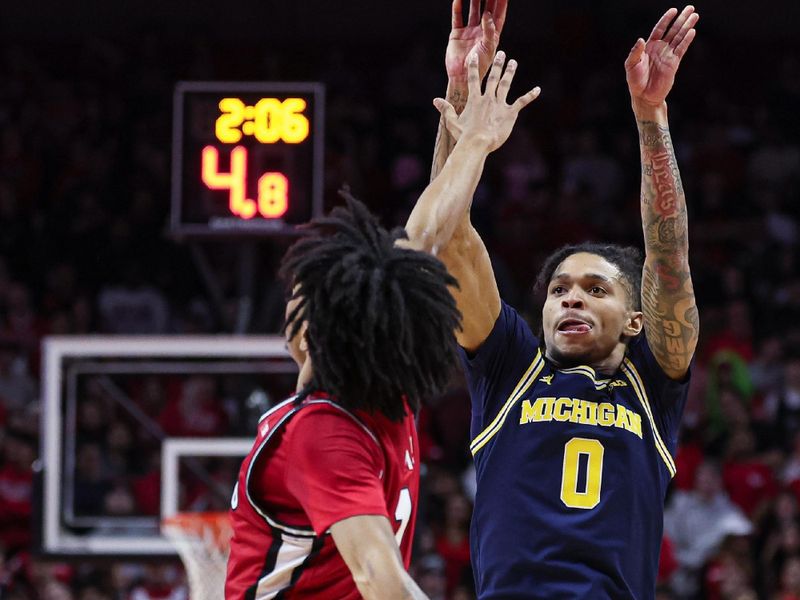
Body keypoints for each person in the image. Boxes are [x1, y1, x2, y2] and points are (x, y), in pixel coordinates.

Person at [405, 2, 700, 598]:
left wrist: (651, 116)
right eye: (560, 290)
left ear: (636, 321)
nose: (572, 300)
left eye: (596, 291)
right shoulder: (511, 364)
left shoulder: (653, 383)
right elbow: (448, 239)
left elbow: (668, 263)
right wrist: (460, 92)